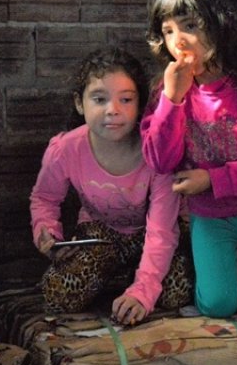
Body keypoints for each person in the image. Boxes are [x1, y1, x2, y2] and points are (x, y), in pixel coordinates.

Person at [141, 0, 237, 318]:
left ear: (217, 25)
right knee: (218, 305)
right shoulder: (166, 91)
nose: (179, 40)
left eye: (189, 25)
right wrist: (172, 100)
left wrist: (211, 180)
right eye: (168, 31)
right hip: (211, 217)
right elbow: (160, 161)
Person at [30, 46, 193, 325]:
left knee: (177, 291)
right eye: (99, 99)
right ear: (80, 103)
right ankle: (121, 274)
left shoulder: (158, 154)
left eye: (126, 99)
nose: (112, 110)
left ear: (140, 104)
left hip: (155, 236)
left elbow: (162, 230)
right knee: (58, 292)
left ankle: (137, 277)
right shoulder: (66, 149)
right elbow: (44, 197)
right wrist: (47, 232)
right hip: (101, 235)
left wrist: (143, 291)